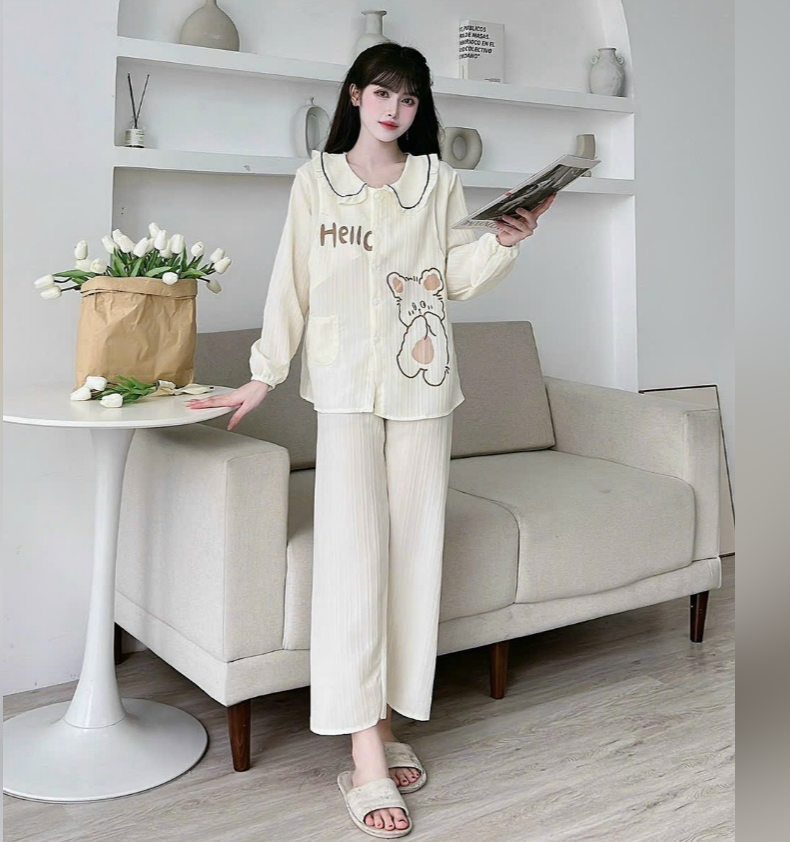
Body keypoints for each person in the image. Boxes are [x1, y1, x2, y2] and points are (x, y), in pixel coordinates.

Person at [187, 42, 555, 838]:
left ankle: (383, 725)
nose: (395, 109)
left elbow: (452, 281)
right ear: (355, 95)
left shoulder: (437, 182)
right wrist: (262, 373)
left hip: (425, 391)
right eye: (383, 93)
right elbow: (292, 283)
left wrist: (506, 240)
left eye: (410, 98)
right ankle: (361, 754)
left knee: (413, 559)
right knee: (354, 564)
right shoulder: (315, 182)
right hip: (346, 389)